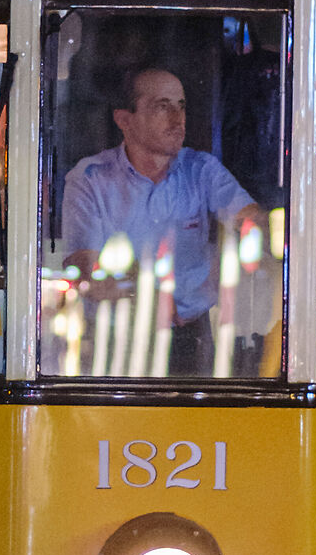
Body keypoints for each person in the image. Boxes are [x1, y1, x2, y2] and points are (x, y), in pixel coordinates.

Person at [60, 67, 256, 372]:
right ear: (124, 120)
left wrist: (299, 267)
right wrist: (150, 293)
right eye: (162, 107)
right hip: (114, 341)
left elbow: (252, 222)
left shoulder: (201, 170)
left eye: (181, 106)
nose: (178, 120)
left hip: (191, 340)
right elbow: (86, 269)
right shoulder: (90, 178)